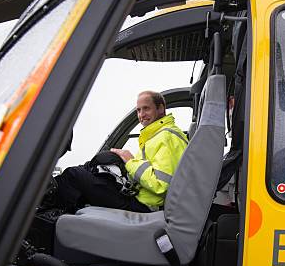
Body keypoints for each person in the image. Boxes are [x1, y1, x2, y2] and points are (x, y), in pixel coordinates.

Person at [47, 90, 188, 214]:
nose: (141, 115)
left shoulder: (167, 136)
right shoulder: (157, 135)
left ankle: (49, 214)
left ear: (161, 108)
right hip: (137, 196)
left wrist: (130, 161)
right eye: (138, 110)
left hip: (143, 205)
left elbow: (161, 185)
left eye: (146, 109)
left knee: (74, 175)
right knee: (91, 167)